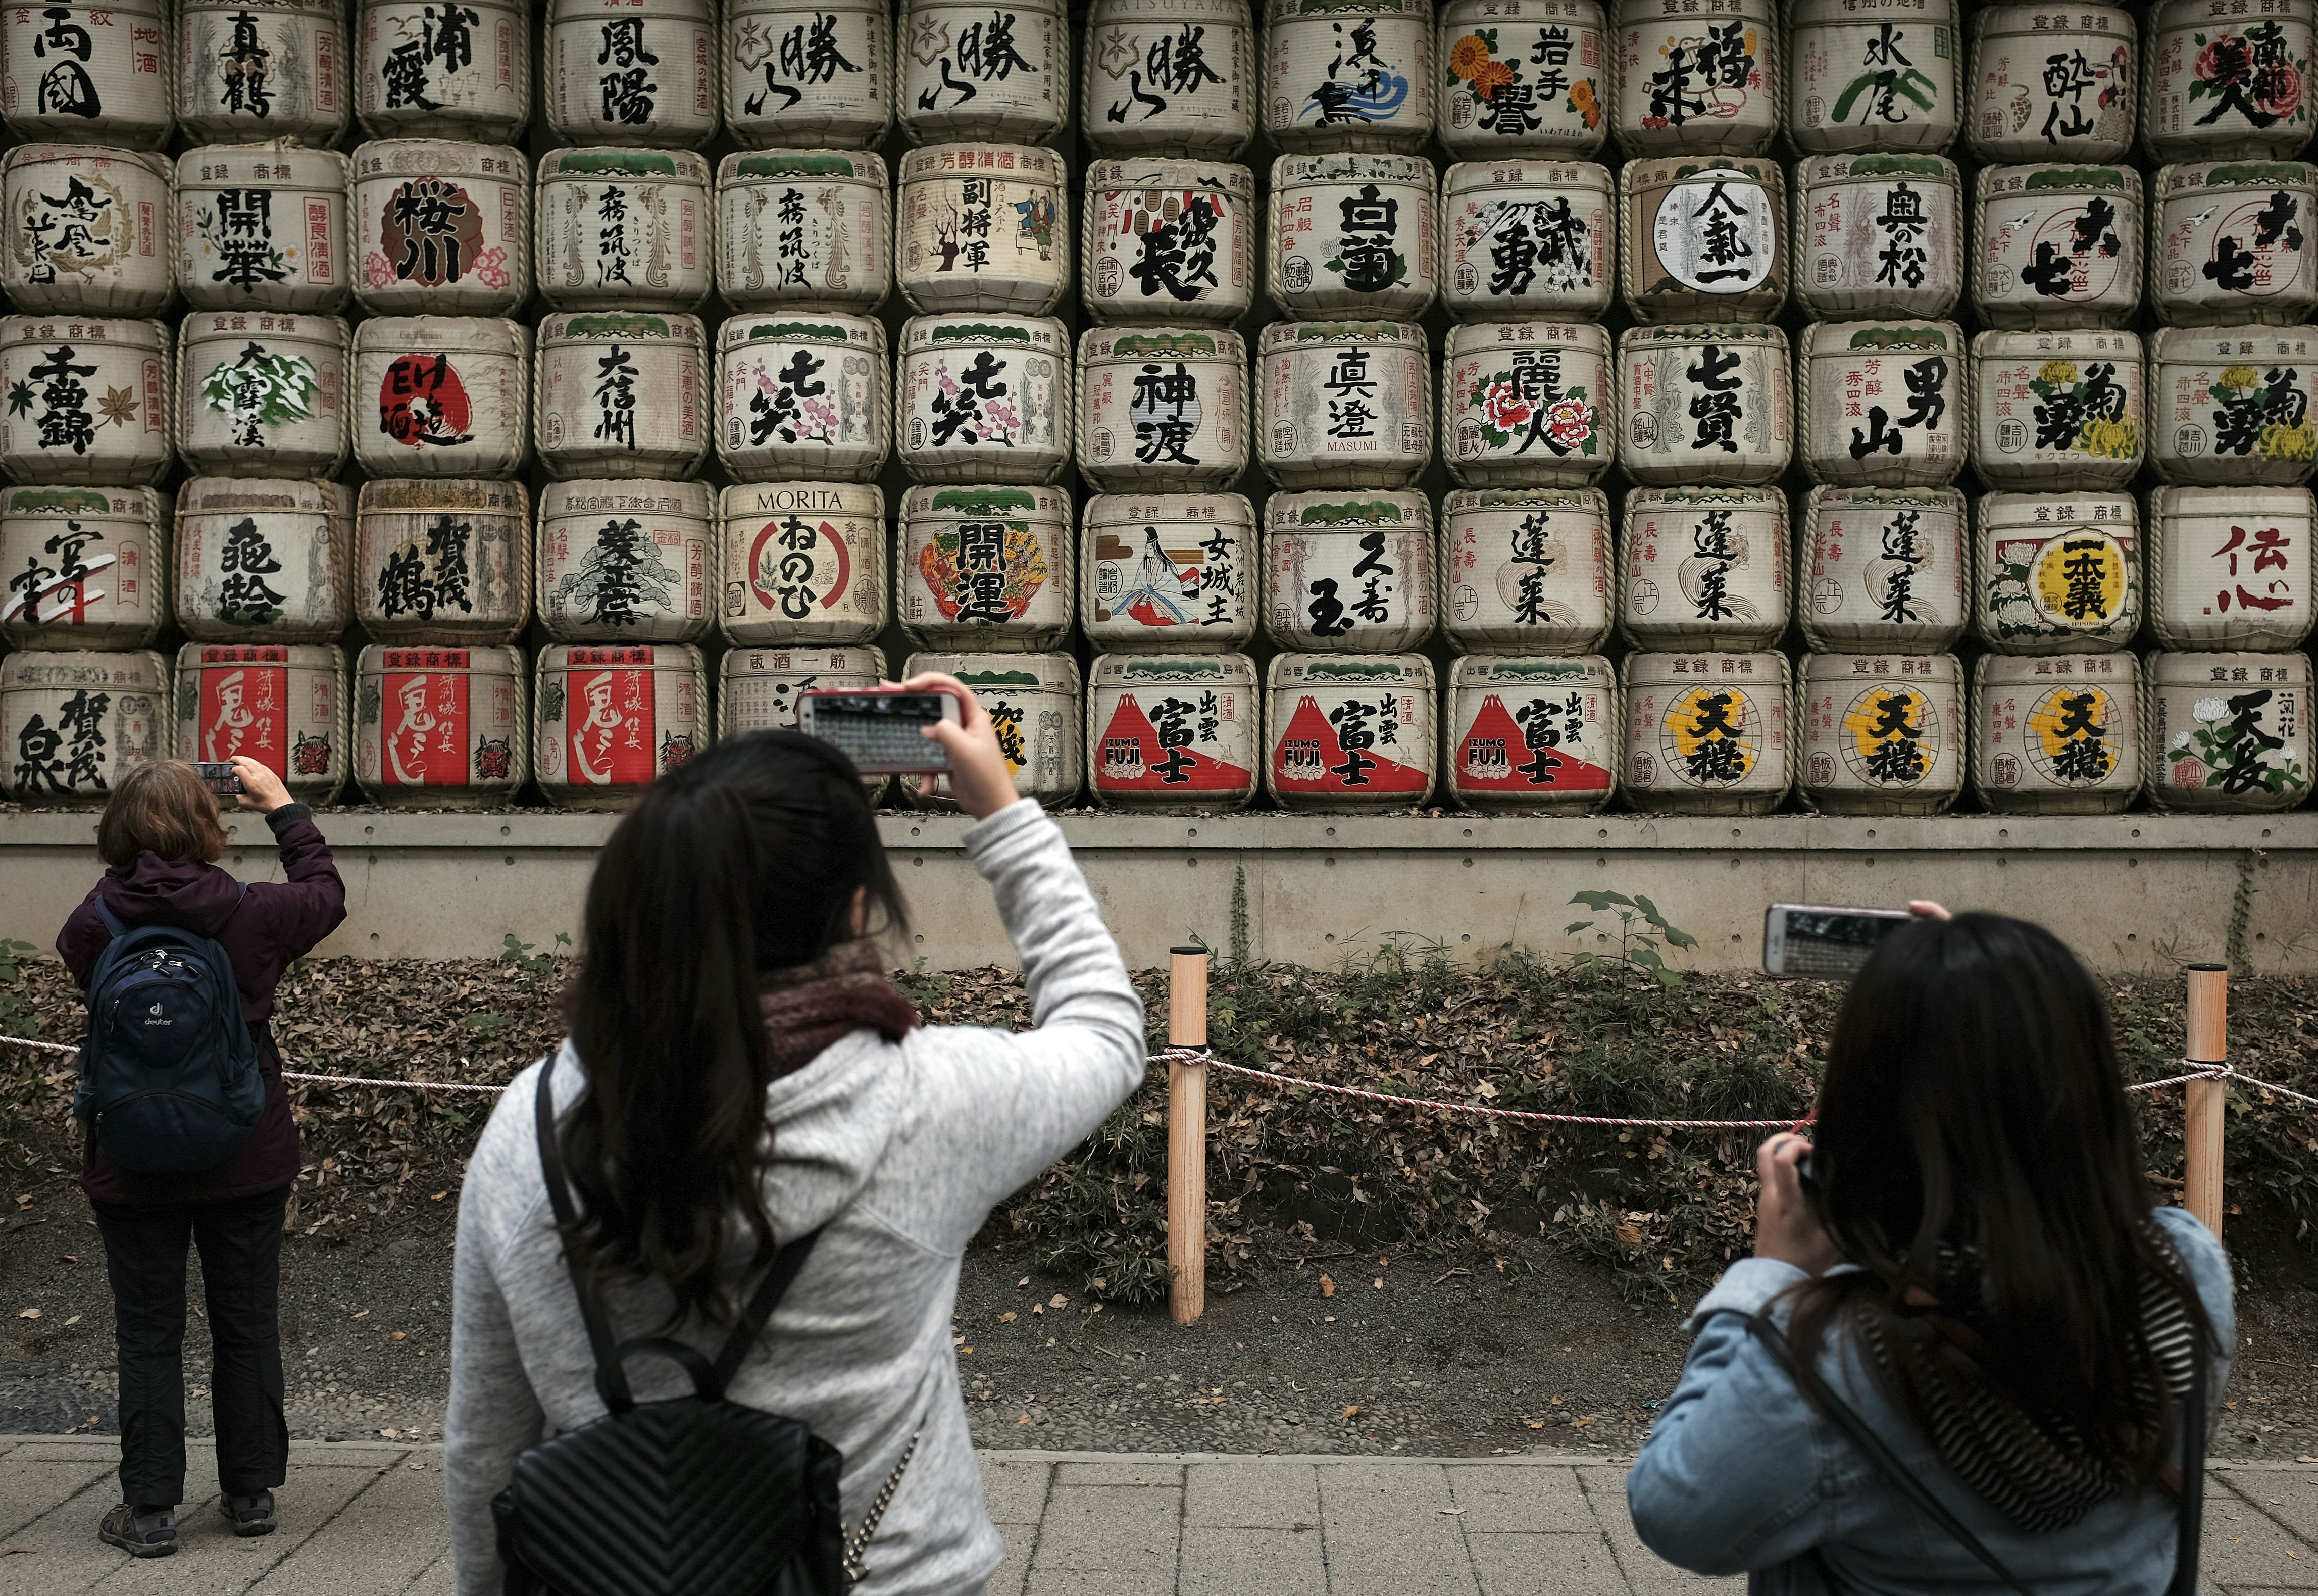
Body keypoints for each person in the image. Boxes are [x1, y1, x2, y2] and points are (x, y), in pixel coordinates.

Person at [443, 676, 1146, 1596]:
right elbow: (1103, 1031)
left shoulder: (534, 1126)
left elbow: (487, 1445)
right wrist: (1002, 811)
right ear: (855, 908)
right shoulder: (932, 1106)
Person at [1628, 908, 2233, 1594]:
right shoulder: (2183, 1269)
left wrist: (1768, 1280)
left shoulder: (1835, 1368)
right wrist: (1994, 993)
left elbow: (1673, 1513)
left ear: (1866, 1109)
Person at [57, 756, 347, 1556]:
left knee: (147, 1333)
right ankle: (250, 1497)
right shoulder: (255, 914)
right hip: (244, 1146)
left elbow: (81, 964)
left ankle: (149, 1512)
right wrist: (283, 806)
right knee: (245, 1323)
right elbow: (327, 894)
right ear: (211, 829)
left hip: (132, 1153)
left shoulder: (95, 921)